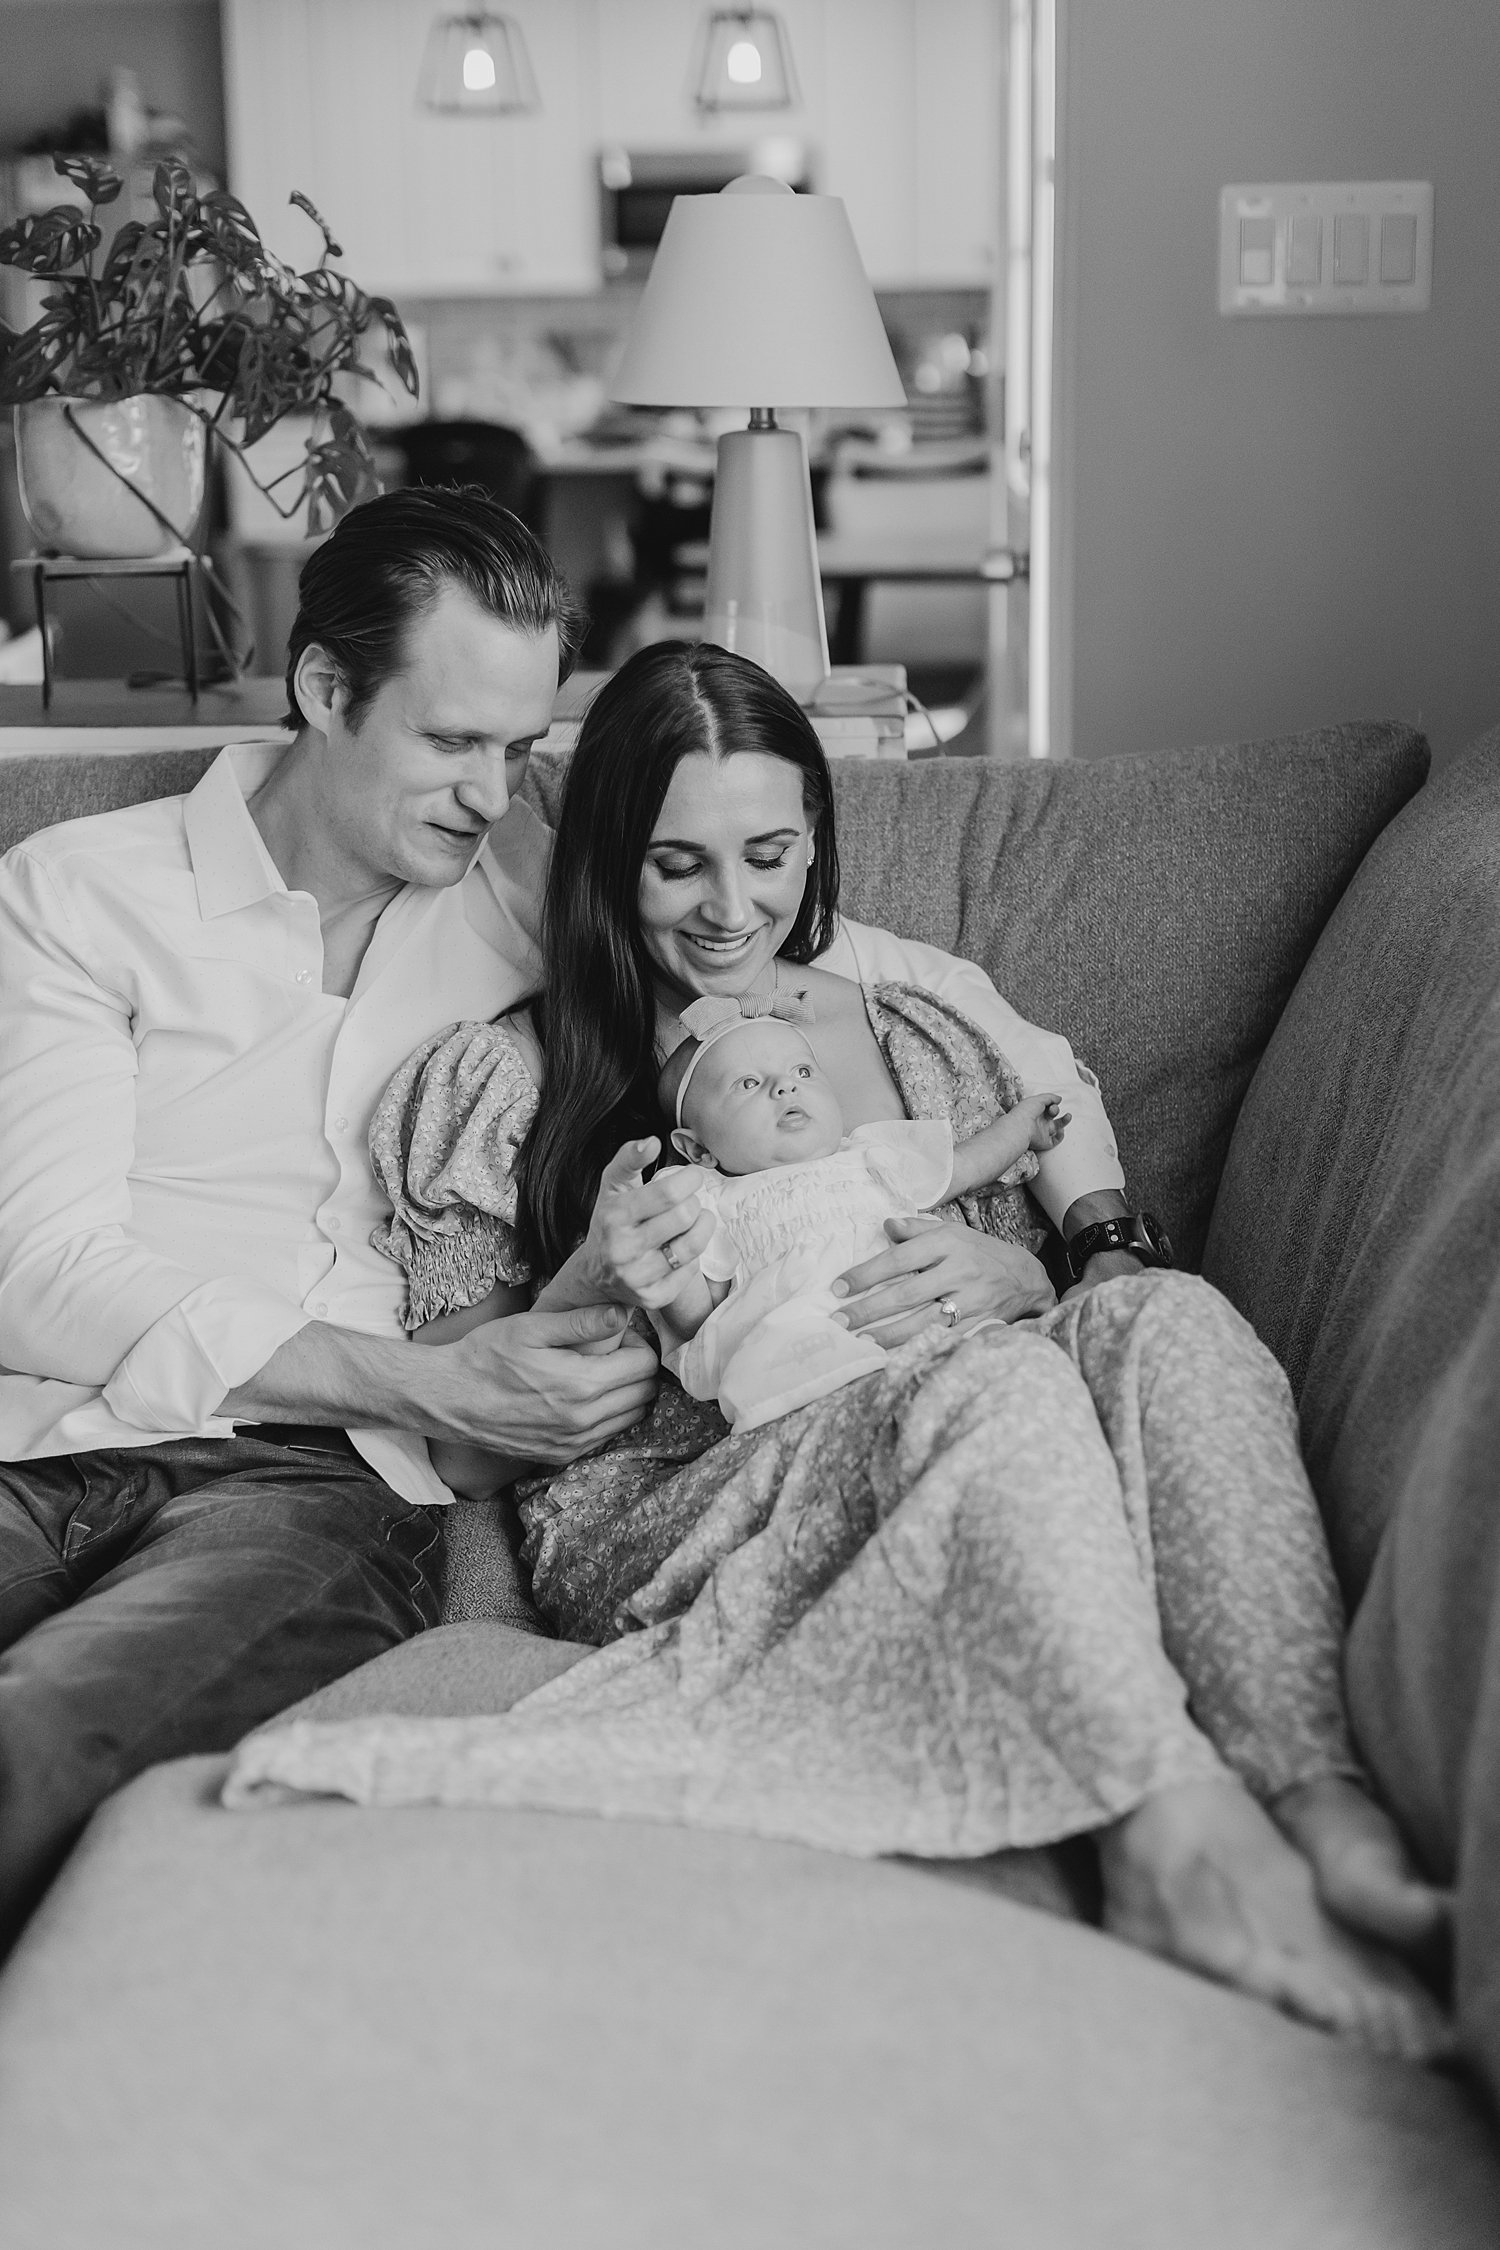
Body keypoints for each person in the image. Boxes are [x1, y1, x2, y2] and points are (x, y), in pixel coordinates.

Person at [232, 640, 1453, 2062]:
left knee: (1169, 1316)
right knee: (997, 1386)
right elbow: (456, 1438)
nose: (733, 907)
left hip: (970, 1398)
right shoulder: (507, 1076)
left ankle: (1311, 1782)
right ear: (602, 857)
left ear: (817, 835)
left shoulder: (919, 1025)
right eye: (675, 862)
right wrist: (597, 1281)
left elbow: (1050, 1246)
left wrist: (1023, 1262)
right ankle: (1169, 1827)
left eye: (768, 853)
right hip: (688, 1486)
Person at [0, 487, 661, 1943]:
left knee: (41, 1734)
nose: (492, 790)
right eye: (450, 739)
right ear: (323, 688)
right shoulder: (79, 895)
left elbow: (795, 972)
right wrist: (418, 1377)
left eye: (522, 747)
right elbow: (36, 1273)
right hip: (40, 1424)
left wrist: (1047, 1211)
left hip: (308, 1492)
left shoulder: (516, 893)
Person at [652, 996, 1068, 1431]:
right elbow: (699, 1318)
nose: (785, 1086)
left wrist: (1022, 1129)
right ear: (697, 1149)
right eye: (748, 1084)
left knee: (1011, 1368)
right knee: (789, 1367)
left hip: (929, 1316)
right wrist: (666, 1259)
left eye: (803, 1072)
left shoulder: (872, 1154)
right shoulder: (709, 1201)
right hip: (812, 1344)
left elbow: (963, 1167)